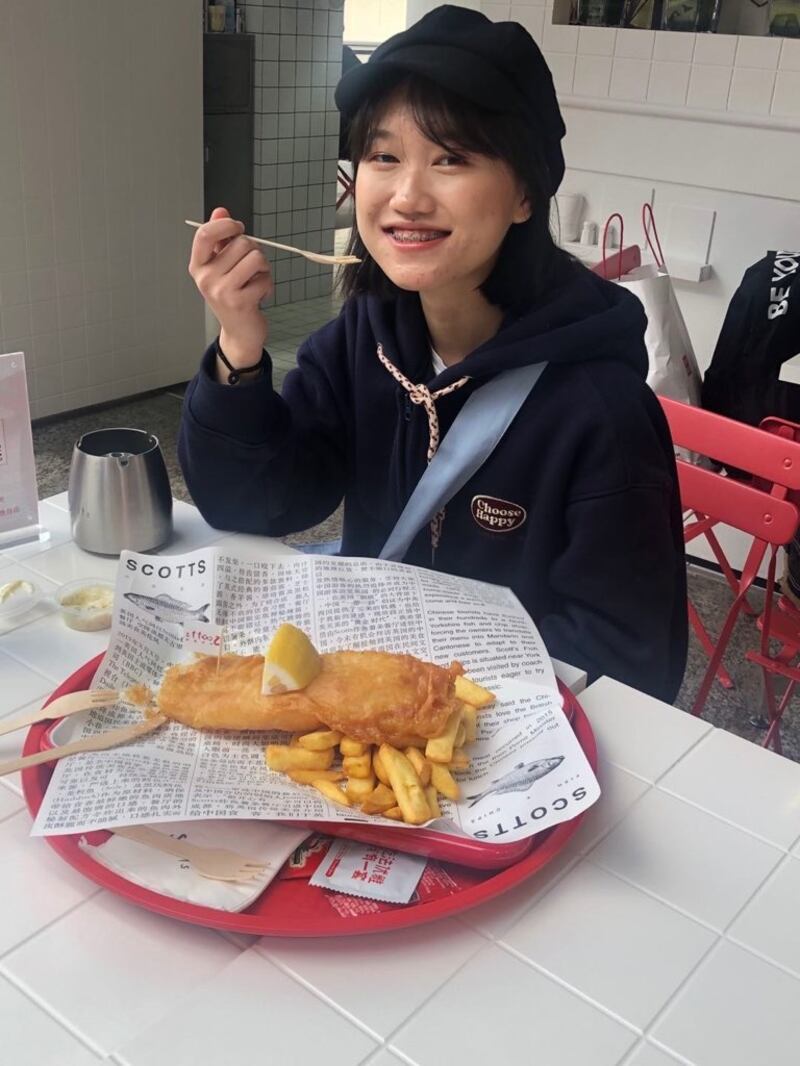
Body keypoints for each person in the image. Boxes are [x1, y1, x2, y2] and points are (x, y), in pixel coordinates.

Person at [181, 5, 687, 702]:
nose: (407, 195)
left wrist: (438, 715)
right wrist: (238, 344)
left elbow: (626, 662)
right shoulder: (365, 340)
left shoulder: (600, 410)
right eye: (384, 156)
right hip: (367, 710)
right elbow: (256, 504)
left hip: (491, 745)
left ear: (523, 194)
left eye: (451, 158)